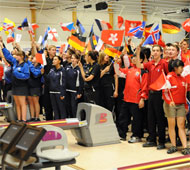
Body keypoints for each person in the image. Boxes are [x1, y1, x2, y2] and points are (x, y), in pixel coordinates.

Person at [136, 44, 168, 149]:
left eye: (157, 50)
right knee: (151, 118)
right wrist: (137, 52)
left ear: (161, 52)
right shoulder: (150, 64)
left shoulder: (164, 64)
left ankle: (162, 141)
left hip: (160, 94)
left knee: (160, 118)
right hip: (151, 94)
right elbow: (138, 65)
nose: (155, 52)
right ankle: (152, 140)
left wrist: (165, 93)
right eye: (153, 50)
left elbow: (168, 78)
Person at [116, 54, 147, 143]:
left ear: (140, 60)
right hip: (126, 98)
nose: (133, 59)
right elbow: (118, 72)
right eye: (132, 57)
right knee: (123, 118)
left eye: (135, 58)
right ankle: (122, 134)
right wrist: (116, 63)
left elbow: (144, 86)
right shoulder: (129, 69)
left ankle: (137, 136)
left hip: (136, 100)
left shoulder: (143, 71)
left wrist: (142, 98)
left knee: (137, 119)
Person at [163, 59, 190, 155]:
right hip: (171, 105)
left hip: (181, 105)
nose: (182, 69)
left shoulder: (183, 79)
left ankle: (185, 147)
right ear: (175, 68)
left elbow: (185, 94)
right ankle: (173, 145)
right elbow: (165, 92)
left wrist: (186, 105)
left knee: (181, 125)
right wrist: (169, 101)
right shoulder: (169, 77)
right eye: (181, 67)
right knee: (172, 125)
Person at [0, 42, 30, 122]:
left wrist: (17, 74)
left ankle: (23, 119)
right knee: (17, 104)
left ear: (22, 57)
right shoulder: (15, 63)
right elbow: (8, 56)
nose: (15, 56)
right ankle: (19, 119)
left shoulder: (25, 65)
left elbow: (26, 76)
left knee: (23, 103)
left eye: (17, 55)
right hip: (15, 86)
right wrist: (2, 47)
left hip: (22, 86)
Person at [65, 53, 83, 118]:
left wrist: (79, 92)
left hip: (74, 91)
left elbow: (81, 81)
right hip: (67, 90)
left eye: (74, 58)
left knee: (73, 107)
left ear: (77, 60)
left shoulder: (79, 69)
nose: (73, 59)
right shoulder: (67, 67)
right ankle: (69, 119)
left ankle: (75, 119)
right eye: (72, 58)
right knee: (68, 106)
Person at [27, 56, 43, 121]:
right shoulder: (30, 66)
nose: (32, 59)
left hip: (36, 86)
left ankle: (37, 117)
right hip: (29, 86)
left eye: (33, 58)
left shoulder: (40, 67)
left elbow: (36, 75)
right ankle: (32, 116)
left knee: (35, 102)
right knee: (31, 102)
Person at [43, 45, 56, 120]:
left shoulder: (57, 60)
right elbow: (43, 71)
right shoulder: (45, 60)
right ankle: (49, 119)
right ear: (49, 51)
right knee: (47, 103)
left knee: (54, 103)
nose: (54, 51)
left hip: (55, 84)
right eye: (52, 50)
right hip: (47, 83)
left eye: (55, 50)